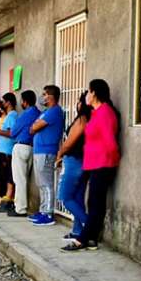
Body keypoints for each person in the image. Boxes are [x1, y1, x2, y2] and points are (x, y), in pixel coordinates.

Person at [62, 79, 120, 251]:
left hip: (103, 164)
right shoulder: (96, 113)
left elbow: (110, 142)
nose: (86, 95)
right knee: (94, 202)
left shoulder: (105, 113)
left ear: (94, 93)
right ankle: (91, 238)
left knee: (95, 203)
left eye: (88, 91)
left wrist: (110, 160)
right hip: (93, 164)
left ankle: (83, 239)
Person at [55, 91, 91, 240]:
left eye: (78, 101)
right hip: (84, 161)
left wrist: (59, 156)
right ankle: (77, 231)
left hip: (74, 161)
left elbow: (69, 143)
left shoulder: (82, 119)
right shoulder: (91, 118)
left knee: (64, 197)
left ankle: (90, 227)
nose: (77, 104)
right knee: (77, 198)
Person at [28, 85, 64, 226]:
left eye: (44, 94)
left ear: (51, 96)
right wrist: (35, 125)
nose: (42, 97)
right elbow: (32, 128)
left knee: (46, 183)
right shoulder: (46, 112)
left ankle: (48, 213)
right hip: (39, 151)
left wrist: (36, 125)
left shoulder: (55, 111)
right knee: (40, 183)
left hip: (47, 151)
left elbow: (35, 127)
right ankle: (43, 210)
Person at [8, 90, 40, 217]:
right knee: (25, 178)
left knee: (19, 179)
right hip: (32, 148)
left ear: (25, 102)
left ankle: (20, 209)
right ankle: (22, 205)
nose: (21, 103)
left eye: (21, 100)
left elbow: (13, 132)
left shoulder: (25, 115)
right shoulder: (39, 113)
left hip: (20, 147)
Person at [0, 93, 18, 213]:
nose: (1, 103)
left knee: (7, 177)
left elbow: (11, 133)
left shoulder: (12, 116)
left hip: (6, 151)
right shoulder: (8, 116)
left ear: (8, 102)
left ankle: (7, 201)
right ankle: (4, 200)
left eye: (3, 101)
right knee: (4, 176)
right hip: (2, 150)